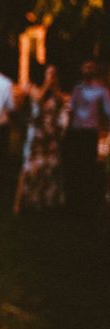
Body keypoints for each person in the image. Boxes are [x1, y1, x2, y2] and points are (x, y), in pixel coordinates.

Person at [13, 65, 68, 214]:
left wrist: (54, 86)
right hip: (36, 136)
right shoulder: (34, 89)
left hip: (50, 137)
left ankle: (44, 202)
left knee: (49, 169)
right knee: (29, 168)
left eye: (53, 75)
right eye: (48, 74)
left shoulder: (56, 95)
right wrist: (46, 84)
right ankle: (19, 204)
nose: (50, 78)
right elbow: (38, 100)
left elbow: (61, 102)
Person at [62, 60, 110, 215]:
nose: (87, 69)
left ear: (94, 70)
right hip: (76, 132)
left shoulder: (101, 90)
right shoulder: (77, 88)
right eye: (85, 66)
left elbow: (108, 111)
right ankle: (73, 202)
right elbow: (70, 108)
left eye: (90, 67)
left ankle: (86, 204)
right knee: (75, 167)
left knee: (88, 167)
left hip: (90, 133)